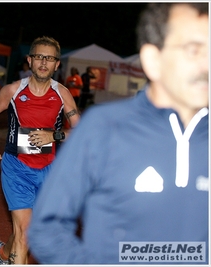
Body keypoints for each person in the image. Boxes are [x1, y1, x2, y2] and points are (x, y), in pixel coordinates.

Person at [28, 3, 209, 264]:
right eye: (193, 50)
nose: (206, 65)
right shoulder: (105, 128)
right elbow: (47, 228)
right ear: (152, 60)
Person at [0, 36, 80, 265]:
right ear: (29, 60)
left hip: (49, 171)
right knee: (25, 233)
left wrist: (53, 135)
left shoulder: (62, 94)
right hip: (17, 168)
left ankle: (3, 253)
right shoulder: (14, 91)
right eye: (39, 57)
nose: (44, 62)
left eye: (50, 58)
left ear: (57, 64)